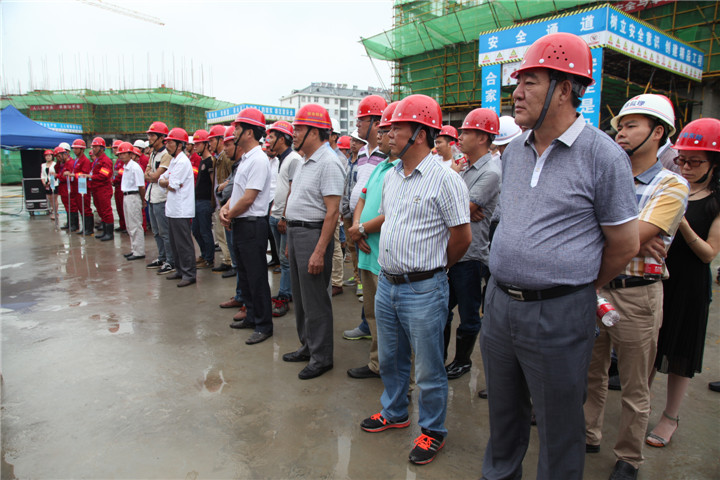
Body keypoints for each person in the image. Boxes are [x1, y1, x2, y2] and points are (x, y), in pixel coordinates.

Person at [480, 33, 639, 480]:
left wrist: (575, 286)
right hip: (500, 305)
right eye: (517, 82)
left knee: (558, 427)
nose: (516, 93)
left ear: (565, 88)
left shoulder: (603, 156)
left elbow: (624, 244)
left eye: (529, 81)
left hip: (559, 313)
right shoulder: (514, 152)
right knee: (503, 416)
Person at [360, 94, 471, 466]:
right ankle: (394, 412)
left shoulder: (446, 180)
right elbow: (390, 220)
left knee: (427, 367)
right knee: (391, 358)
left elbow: (462, 238)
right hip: (387, 283)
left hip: (424, 288)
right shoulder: (392, 175)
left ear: (420, 134)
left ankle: (433, 430)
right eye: (388, 128)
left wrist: (435, 270)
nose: (388, 134)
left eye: (397, 128)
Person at [585, 93, 689, 480]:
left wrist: (624, 236)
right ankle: (588, 433)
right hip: (596, 287)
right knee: (591, 372)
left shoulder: (672, 185)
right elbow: (588, 230)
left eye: (631, 126)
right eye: (620, 127)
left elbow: (627, 236)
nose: (621, 133)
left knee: (634, 383)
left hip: (638, 294)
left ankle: (629, 456)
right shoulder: (605, 178)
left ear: (658, 132)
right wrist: (630, 238)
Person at [646, 118, 720, 447]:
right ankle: (642, 404)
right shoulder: (667, 187)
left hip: (689, 285)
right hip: (658, 277)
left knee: (680, 354)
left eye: (695, 162)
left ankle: (670, 417)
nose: (686, 167)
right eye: (682, 160)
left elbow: (708, 254)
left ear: (714, 164)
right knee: (649, 349)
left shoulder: (715, 202)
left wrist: (682, 222)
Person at [282, 104, 345, 380]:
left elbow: (332, 212)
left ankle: (322, 357)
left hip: (313, 235)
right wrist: (290, 241)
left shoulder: (329, 163)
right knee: (300, 298)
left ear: (315, 131)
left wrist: (319, 251)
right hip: (297, 234)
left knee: (316, 299)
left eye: (299, 129)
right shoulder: (304, 161)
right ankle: (307, 346)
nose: (293, 133)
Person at [443, 108, 501, 380]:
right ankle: (440, 357)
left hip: (471, 255)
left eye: (466, 132)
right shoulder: (463, 166)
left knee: (468, 313)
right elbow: (457, 207)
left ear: (482, 137)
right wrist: (461, 206)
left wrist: (462, 207)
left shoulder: (491, 172)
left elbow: (462, 209)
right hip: (451, 250)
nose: (460, 137)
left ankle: (462, 361)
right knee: (442, 309)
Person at [345, 100, 399, 379]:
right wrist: (357, 227)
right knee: (372, 314)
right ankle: (376, 364)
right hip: (366, 250)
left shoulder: (400, 169)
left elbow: (394, 212)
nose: (382, 135)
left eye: (388, 130)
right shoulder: (381, 165)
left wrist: (362, 229)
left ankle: (392, 371)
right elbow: (363, 197)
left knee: (389, 319)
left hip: (381, 254)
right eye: (383, 130)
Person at [219, 108, 273, 345]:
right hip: (241, 222)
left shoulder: (259, 160)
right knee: (246, 275)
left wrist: (229, 214)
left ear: (250, 132)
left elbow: (249, 198)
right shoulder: (246, 159)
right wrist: (226, 207)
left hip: (252, 225)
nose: (234, 132)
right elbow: (238, 192)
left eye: (238, 128)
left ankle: (263, 324)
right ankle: (251, 316)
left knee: (257, 277)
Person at [267, 120, 302, 318]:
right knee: (282, 259)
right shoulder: (282, 159)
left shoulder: (293, 159)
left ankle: (285, 295)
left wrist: (284, 217)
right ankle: (286, 291)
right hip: (276, 215)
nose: (269, 141)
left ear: (282, 139)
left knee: (286, 260)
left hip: (283, 218)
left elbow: (292, 190)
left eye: (272, 137)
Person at [158, 128, 196, 287]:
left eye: (170, 143)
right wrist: (165, 181)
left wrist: (165, 182)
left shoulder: (182, 162)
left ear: (179, 145)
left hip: (181, 209)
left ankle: (189, 273)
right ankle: (180, 270)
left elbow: (172, 184)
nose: (167, 145)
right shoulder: (174, 161)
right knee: (175, 243)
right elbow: (162, 179)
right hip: (173, 208)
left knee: (183, 243)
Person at [144, 121, 175, 276]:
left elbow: (156, 176)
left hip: (161, 198)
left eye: (152, 135)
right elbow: (147, 174)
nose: (149, 138)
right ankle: (162, 257)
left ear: (161, 137)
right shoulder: (153, 154)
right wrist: (151, 175)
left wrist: (151, 175)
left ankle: (171, 260)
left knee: (164, 231)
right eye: (149, 135)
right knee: (156, 231)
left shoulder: (166, 155)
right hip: (151, 196)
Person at [208, 124, 234, 275]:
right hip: (220, 201)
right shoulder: (217, 158)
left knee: (226, 234)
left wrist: (223, 188)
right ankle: (227, 260)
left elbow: (233, 178)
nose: (210, 144)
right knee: (220, 233)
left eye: (212, 140)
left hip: (226, 202)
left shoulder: (226, 158)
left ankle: (230, 262)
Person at [191, 129, 215, 270]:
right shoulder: (202, 161)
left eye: (198, 144)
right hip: (198, 201)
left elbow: (213, 183)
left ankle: (209, 258)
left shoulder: (210, 162)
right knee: (196, 230)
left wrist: (213, 202)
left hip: (205, 202)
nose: (195, 147)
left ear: (206, 144)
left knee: (205, 231)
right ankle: (204, 254)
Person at [117, 142, 146, 260]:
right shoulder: (126, 167)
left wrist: (143, 200)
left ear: (131, 154)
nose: (121, 156)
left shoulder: (135, 167)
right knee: (129, 225)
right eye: (120, 154)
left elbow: (141, 186)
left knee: (135, 224)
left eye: (124, 153)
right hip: (127, 196)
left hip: (133, 196)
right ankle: (134, 249)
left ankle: (139, 251)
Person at [84, 137, 115, 241]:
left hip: (103, 189)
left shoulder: (105, 161)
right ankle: (105, 231)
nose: (93, 149)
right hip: (96, 189)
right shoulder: (97, 160)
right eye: (93, 147)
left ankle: (109, 233)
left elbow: (104, 176)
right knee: (101, 210)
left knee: (106, 210)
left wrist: (90, 177)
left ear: (102, 148)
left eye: (95, 147)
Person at [68, 139, 92, 234]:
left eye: (76, 148)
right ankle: (84, 228)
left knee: (85, 207)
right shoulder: (77, 160)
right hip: (77, 186)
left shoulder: (85, 160)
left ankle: (88, 229)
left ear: (82, 149)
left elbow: (84, 174)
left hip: (83, 187)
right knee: (80, 207)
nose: (74, 150)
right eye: (74, 148)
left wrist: (73, 175)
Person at [54, 145, 73, 230]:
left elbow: (67, 177)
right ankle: (69, 223)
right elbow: (57, 169)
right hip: (63, 187)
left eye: (59, 156)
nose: (58, 159)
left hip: (68, 187)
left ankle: (73, 224)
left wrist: (58, 176)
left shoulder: (70, 163)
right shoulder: (62, 164)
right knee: (66, 205)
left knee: (71, 205)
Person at [111, 140, 127, 233]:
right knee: (119, 207)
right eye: (113, 148)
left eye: (116, 148)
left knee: (123, 207)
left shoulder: (122, 161)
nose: (114, 150)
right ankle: (122, 225)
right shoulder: (117, 160)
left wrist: (114, 180)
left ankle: (125, 226)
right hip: (117, 186)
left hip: (121, 186)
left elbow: (121, 173)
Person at [40, 150, 58, 220]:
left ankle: (55, 213)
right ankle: (53, 210)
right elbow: (42, 175)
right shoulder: (43, 165)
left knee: (54, 198)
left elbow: (56, 174)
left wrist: (50, 182)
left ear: (52, 156)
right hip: (46, 184)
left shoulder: (55, 164)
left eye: (49, 156)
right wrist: (44, 182)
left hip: (54, 183)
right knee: (50, 198)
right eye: (46, 156)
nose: (47, 157)